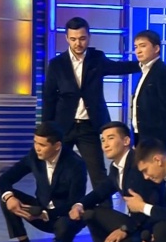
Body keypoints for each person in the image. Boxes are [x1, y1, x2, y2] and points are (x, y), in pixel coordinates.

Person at [42, 17, 140, 190]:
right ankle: (59, 206)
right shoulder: (56, 64)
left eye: (82, 38)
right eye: (73, 39)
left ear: (89, 37)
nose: (78, 43)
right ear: (66, 38)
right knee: (57, 172)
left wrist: (144, 63)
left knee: (98, 174)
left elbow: (118, 67)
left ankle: (105, 206)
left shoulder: (97, 58)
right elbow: (49, 98)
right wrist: (46, 130)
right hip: (63, 126)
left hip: (90, 126)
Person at [68, 122, 165, 242]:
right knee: (90, 213)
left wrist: (124, 229)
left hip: (150, 225)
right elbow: (101, 191)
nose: (105, 144)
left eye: (111, 138)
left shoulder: (139, 165)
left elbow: (150, 207)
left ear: (126, 141)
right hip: (136, 221)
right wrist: (80, 205)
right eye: (103, 140)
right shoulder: (116, 167)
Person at [0, 122, 87, 242]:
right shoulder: (34, 156)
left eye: (42, 145)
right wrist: (9, 197)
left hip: (65, 214)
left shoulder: (75, 164)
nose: (37, 148)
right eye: (35, 143)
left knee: (64, 226)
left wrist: (46, 214)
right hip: (40, 209)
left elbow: (76, 202)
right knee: (7, 198)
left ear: (57, 146)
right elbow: (5, 179)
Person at [130, 30, 166, 152]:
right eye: (136, 47)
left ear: (156, 48)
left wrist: (159, 142)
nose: (138, 51)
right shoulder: (144, 71)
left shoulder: (162, 72)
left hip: (156, 141)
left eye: (143, 46)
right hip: (140, 136)